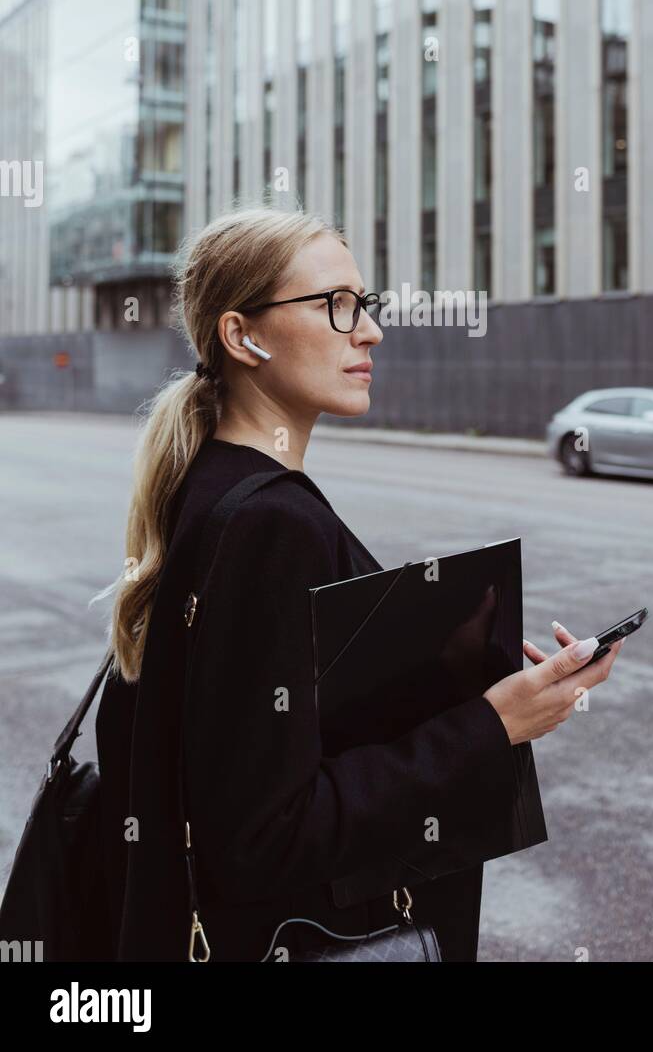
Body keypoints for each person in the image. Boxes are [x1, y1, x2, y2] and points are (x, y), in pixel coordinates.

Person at [94, 206, 623, 962]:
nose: (370, 331)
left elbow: (286, 733)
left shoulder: (217, 487)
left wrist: (467, 672)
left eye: (364, 305)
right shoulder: (270, 525)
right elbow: (263, 837)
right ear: (243, 336)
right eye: (335, 306)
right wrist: (491, 724)